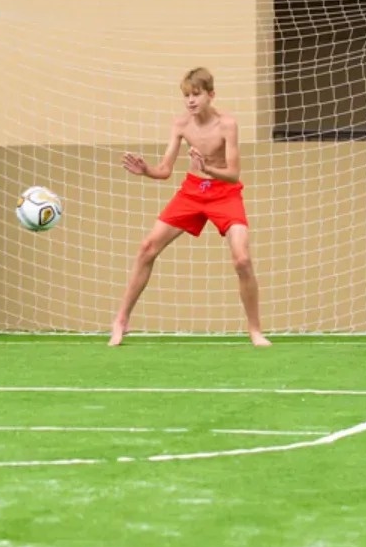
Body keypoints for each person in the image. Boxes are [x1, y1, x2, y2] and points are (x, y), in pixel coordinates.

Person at [110, 67, 270, 348]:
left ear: (211, 95)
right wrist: (147, 169)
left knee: (242, 259)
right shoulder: (181, 125)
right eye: (186, 96)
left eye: (196, 94)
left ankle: (255, 330)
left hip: (225, 193)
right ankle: (121, 320)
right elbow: (164, 170)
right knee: (147, 247)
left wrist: (207, 166)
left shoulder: (227, 124)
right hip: (193, 192)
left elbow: (233, 173)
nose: (191, 101)